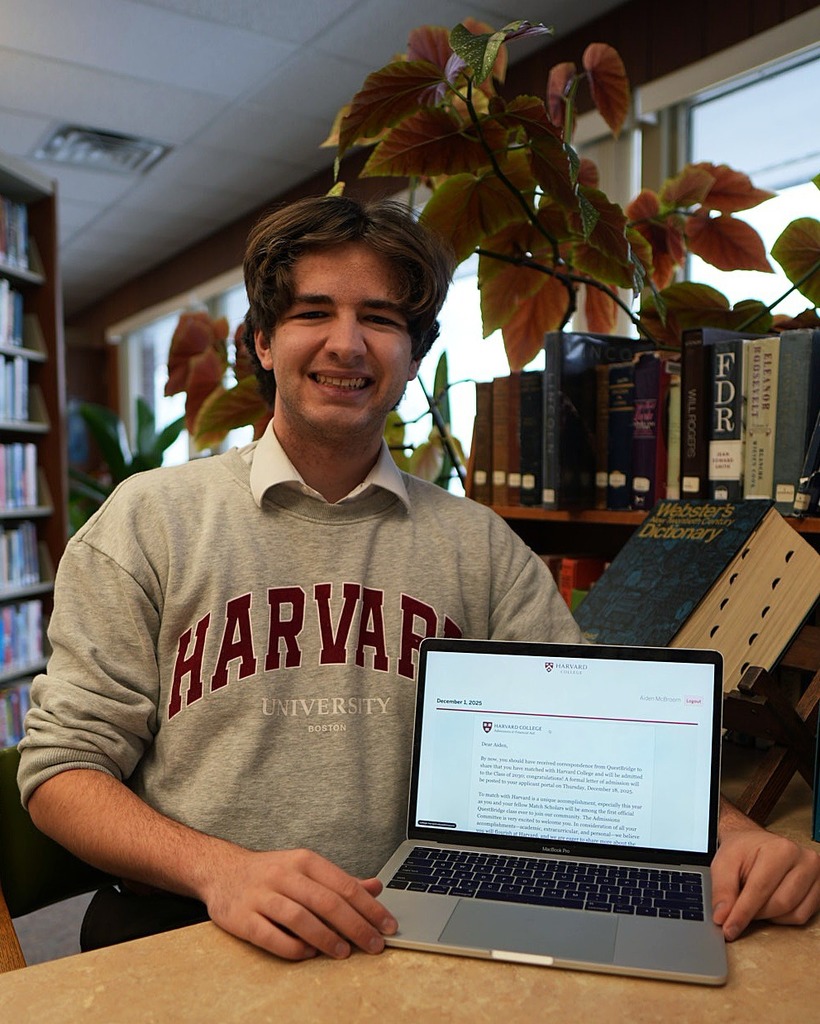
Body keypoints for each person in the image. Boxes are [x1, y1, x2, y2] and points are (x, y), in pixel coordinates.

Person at [18, 195, 820, 961]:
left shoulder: (479, 546)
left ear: (414, 353)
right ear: (263, 342)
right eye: (312, 312)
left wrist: (735, 834)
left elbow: (592, 733)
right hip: (186, 918)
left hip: (406, 925)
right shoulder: (146, 521)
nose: (347, 343)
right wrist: (221, 870)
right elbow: (61, 772)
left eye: (381, 318)